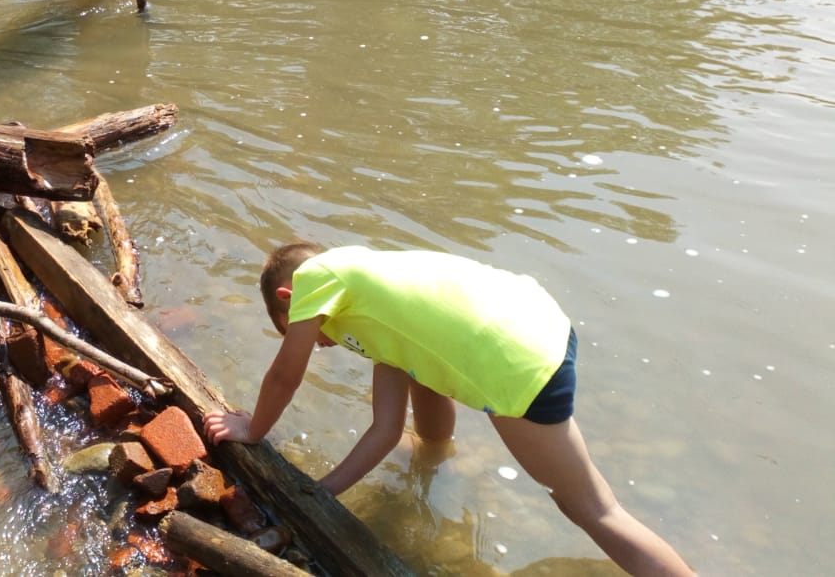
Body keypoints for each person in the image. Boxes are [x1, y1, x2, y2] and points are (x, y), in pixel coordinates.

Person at [204, 241, 693, 577]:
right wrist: (319, 492)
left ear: (290, 299)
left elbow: (285, 376)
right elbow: (385, 429)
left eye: (294, 327)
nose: (316, 342)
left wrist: (254, 428)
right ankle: (438, 455)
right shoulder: (373, 292)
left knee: (593, 509)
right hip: (538, 320)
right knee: (426, 377)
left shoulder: (315, 278)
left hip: (516, 360)